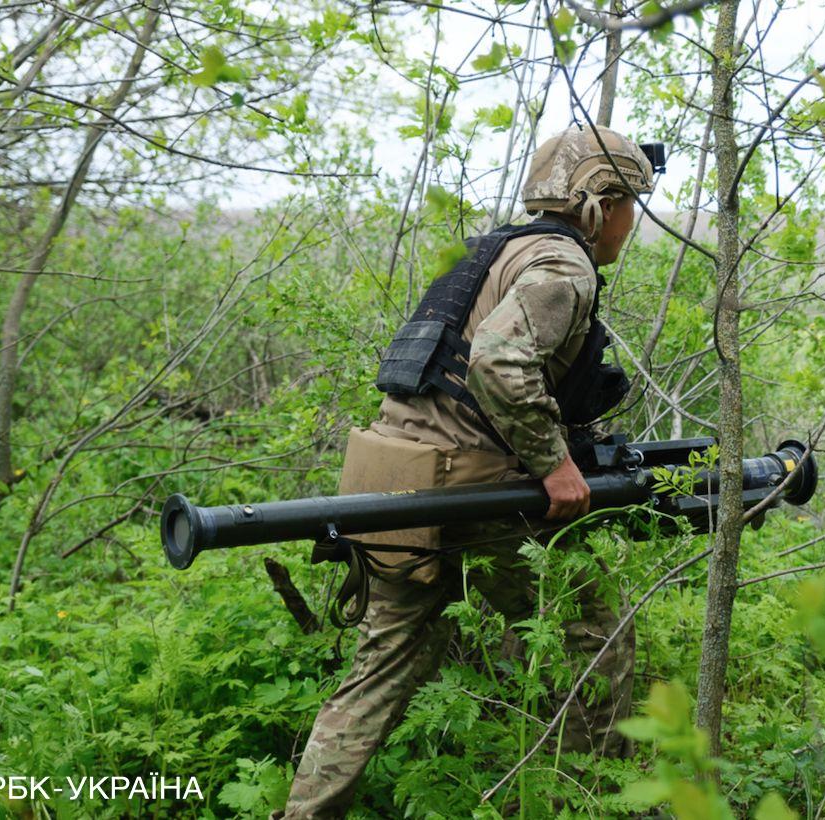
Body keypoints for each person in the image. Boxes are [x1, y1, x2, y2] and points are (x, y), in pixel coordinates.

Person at [276, 124, 657, 819]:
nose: (633, 223)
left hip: (393, 478)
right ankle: (592, 800)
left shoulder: (494, 250)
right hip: (466, 485)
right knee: (594, 630)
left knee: (382, 671)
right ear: (600, 203)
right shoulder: (562, 267)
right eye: (631, 203)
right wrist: (555, 466)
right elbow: (497, 360)